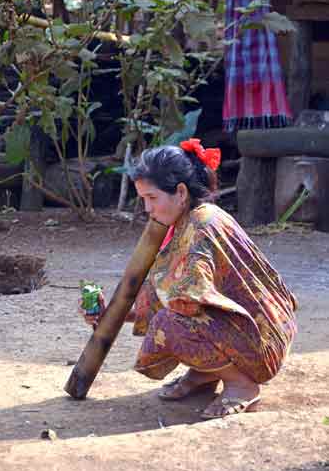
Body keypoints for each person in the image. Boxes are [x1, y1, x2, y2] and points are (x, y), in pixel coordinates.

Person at [82, 139, 298, 419]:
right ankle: (204, 374)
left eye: (152, 198)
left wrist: (148, 307)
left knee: (168, 324)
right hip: (254, 330)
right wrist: (113, 314)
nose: (147, 209)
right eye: (143, 199)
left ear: (180, 193)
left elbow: (186, 303)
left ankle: (242, 384)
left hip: (264, 342)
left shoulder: (201, 226)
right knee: (171, 311)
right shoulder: (186, 221)